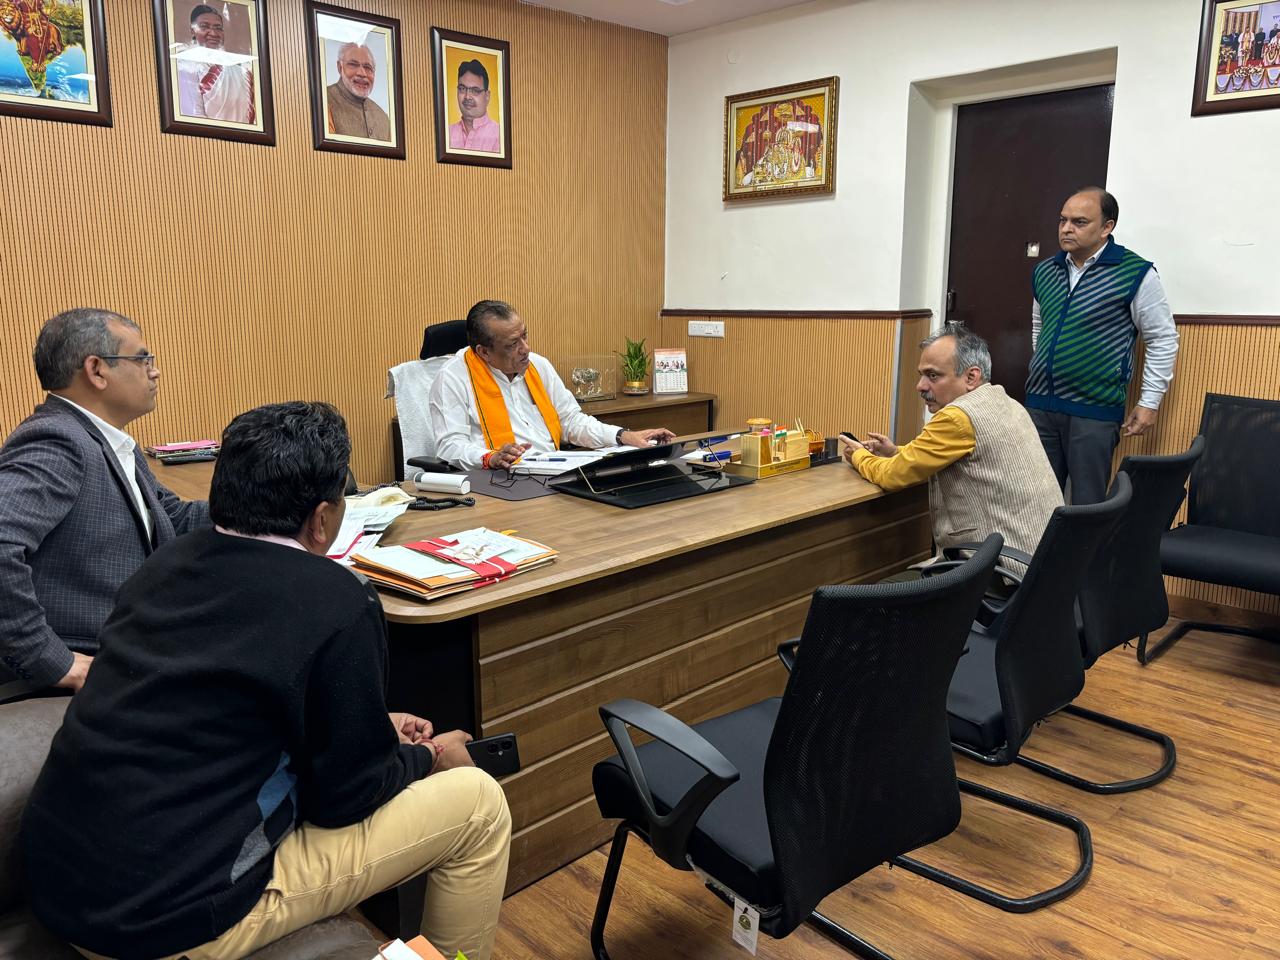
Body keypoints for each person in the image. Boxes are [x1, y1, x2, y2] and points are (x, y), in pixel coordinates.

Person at [20, 401, 512, 960]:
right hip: (163, 921)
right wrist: (428, 757)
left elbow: (227, 706)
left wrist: (371, 728)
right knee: (478, 803)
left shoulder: (162, 565)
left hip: (59, 885)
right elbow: (345, 799)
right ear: (322, 518)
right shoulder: (338, 599)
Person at [0, 308, 209, 701]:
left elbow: (174, 518)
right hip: (94, 662)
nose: (155, 371)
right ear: (96, 370)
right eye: (143, 359)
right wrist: (51, 659)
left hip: (136, 644)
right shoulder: (58, 441)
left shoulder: (107, 441)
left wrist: (264, 508)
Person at [841, 324, 1062, 574]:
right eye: (921, 375)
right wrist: (895, 453)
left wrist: (859, 456)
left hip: (1001, 572)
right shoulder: (1007, 403)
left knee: (881, 592)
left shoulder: (957, 417)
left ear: (971, 377)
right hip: (1040, 564)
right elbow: (941, 454)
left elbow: (891, 476)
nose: (920, 386)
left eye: (933, 376)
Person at [1024, 187, 1179, 504]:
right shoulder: (1045, 271)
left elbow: (1162, 339)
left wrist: (1149, 402)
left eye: (1079, 222)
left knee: (1088, 505)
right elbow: (1040, 325)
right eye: (1063, 220)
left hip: (1093, 411)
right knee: (1036, 503)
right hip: (1040, 407)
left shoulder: (1135, 273)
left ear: (1107, 227)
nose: (1067, 229)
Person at [428, 299, 675, 470]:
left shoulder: (537, 365)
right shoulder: (453, 377)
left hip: (553, 470)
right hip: (497, 479)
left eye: (525, 336)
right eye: (513, 344)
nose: (526, 348)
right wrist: (490, 457)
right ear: (484, 352)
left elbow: (571, 421)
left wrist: (623, 436)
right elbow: (450, 446)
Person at [175, 4, 256, 124]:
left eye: (218, 28)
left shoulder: (243, 72)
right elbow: (194, 117)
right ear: (192, 31)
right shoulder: (186, 66)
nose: (213, 33)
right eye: (204, 26)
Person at [326, 40, 391, 140]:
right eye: (353, 64)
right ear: (340, 67)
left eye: (367, 67)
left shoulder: (383, 118)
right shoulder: (324, 101)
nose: (362, 73)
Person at [448, 59, 501, 153]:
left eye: (475, 91)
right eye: (462, 89)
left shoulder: (500, 135)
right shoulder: (446, 133)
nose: (467, 97)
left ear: (487, 96)